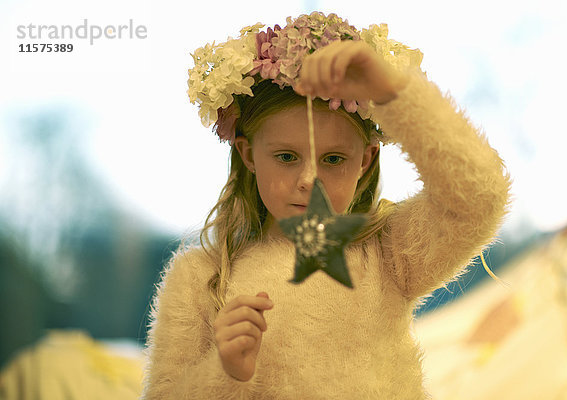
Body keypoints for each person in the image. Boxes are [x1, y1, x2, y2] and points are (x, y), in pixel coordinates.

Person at [142, 12, 511, 399]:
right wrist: (226, 373)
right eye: (286, 157)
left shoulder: (388, 255)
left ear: (365, 160)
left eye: (334, 159)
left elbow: (479, 197)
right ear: (248, 155)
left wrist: (393, 95)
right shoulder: (199, 279)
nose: (309, 181)